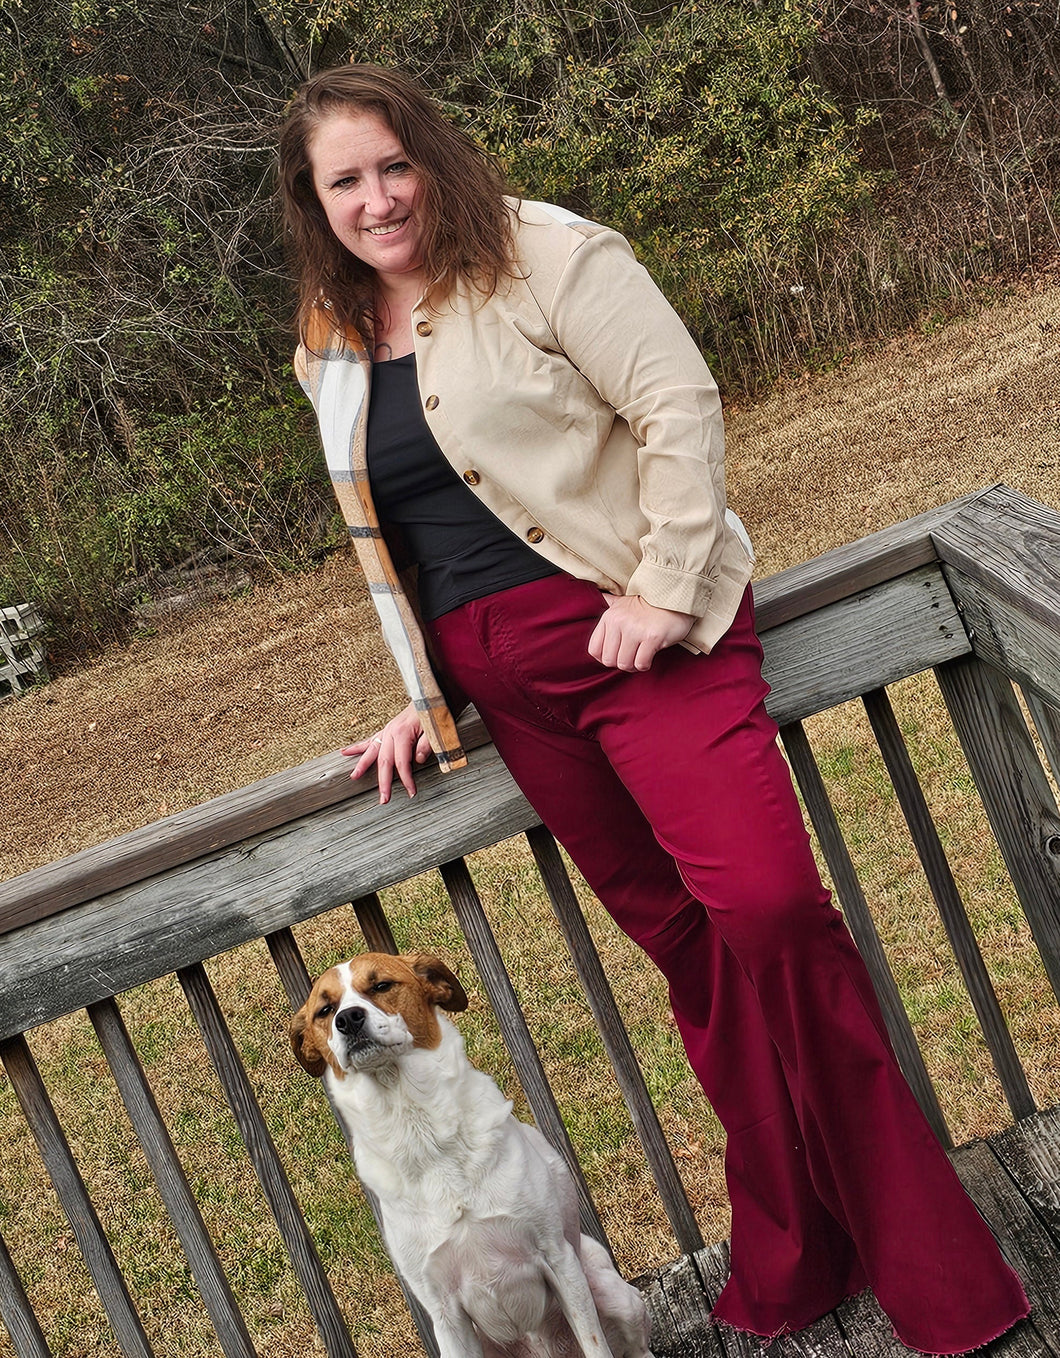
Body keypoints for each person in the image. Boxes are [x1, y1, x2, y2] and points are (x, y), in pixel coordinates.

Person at [278, 64, 1029, 1352]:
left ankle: (936, 1270)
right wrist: (424, 694)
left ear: (431, 158)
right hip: (510, 693)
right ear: (315, 202)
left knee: (775, 917)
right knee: (698, 961)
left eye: (392, 164)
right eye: (344, 180)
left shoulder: (546, 253)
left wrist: (669, 589)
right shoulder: (330, 345)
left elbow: (677, 407)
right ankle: (800, 1257)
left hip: (643, 648)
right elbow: (397, 532)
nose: (377, 197)